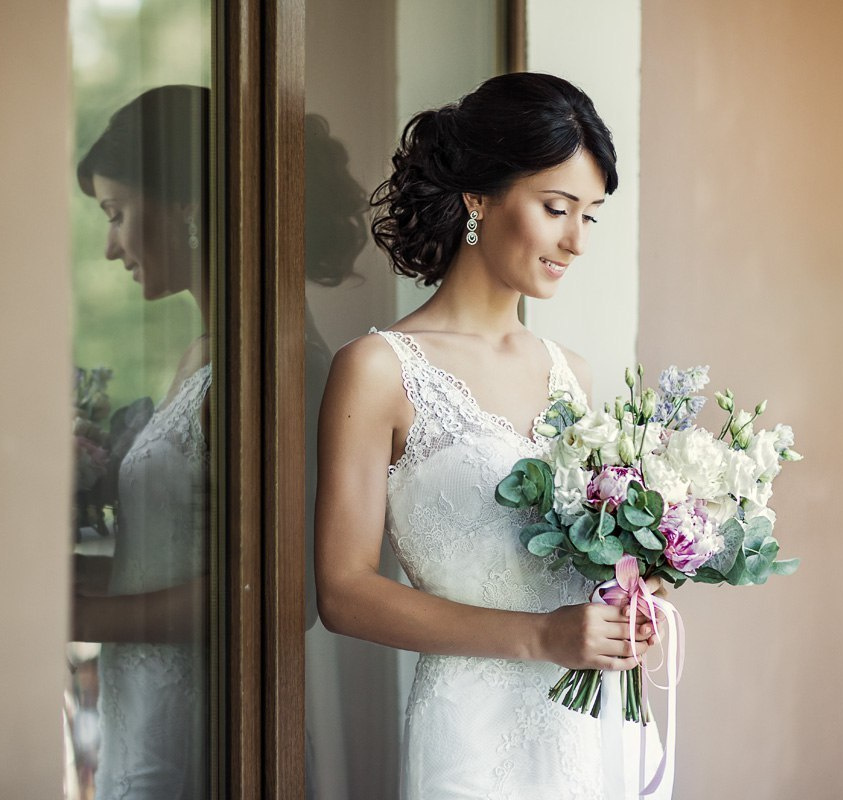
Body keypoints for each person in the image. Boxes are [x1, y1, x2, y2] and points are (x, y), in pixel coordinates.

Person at [315, 72, 666, 798]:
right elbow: (343, 593)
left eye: (590, 216)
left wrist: (635, 590)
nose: (576, 240)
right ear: (478, 197)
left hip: (600, 729)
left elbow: (583, 561)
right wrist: (540, 636)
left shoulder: (571, 374)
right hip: (472, 743)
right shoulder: (379, 370)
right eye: (556, 208)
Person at [72, 84, 211, 800]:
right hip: (141, 703)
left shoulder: (261, 368)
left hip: (202, 720)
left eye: (116, 214)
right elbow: (170, 557)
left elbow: (267, 591)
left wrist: (80, 615)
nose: (109, 246)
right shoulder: (199, 356)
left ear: (185, 206)